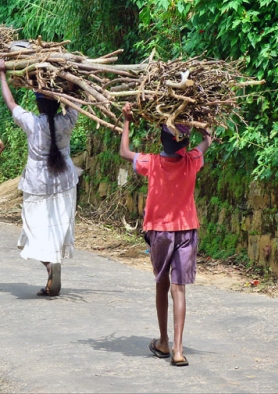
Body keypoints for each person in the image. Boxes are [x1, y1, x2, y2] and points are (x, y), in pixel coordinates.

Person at [118, 103, 212, 367]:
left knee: (162, 284)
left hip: (160, 231)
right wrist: (204, 126)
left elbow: (124, 151)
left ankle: (163, 340)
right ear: (184, 142)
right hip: (186, 230)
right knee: (178, 288)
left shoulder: (152, 162)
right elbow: (207, 141)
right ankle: (179, 350)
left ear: (162, 140)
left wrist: (127, 120)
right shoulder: (192, 160)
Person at [0, 59, 80, 297]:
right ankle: (55, 262)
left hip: (37, 184)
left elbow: (10, 102)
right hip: (64, 182)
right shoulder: (67, 121)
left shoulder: (32, 122)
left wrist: (2, 74)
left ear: (38, 105)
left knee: (35, 229)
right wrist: (69, 83)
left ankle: (49, 264)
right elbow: (75, 100)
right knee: (58, 226)